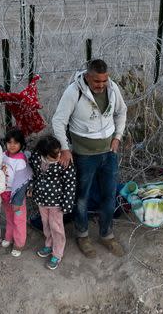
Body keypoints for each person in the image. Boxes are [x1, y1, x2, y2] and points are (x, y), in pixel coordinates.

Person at [52, 59, 127, 258]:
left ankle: (106, 234)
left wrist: (117, 137)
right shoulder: (73, 92)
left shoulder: (112, 89)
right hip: (84, 156)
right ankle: (82, 235)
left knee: (109, 196)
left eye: (104, 80)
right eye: (96, 81)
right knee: (82, 197)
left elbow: (121, 112)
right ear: (87, 77)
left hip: (108, 154)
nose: (100, 85)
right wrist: (66, 149)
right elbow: (58, 121)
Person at [27, 136, 76, 270]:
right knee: (46, 224)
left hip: (56, 202)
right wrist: (31, 187)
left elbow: (70, 183)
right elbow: (33, 174)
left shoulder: (64, 163)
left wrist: (67, 203)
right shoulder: (36, 159)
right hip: (42, 200)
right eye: (54, 154)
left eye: (59, 152)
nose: (59, 155)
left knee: (57, 227)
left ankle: (57, 253)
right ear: (44, 153)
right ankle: (49, 245)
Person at [1, 129, 33, 257]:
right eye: (9, 142)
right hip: (5, 193)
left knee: (18, 219)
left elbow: (22, 183)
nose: (12, 145)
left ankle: (19, 243)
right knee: (9, 217)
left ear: (21, 144)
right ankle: (9, 237)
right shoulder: (3, 155)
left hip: (16, 196)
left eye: (15, 143)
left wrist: (18, 201)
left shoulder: (20, 161)